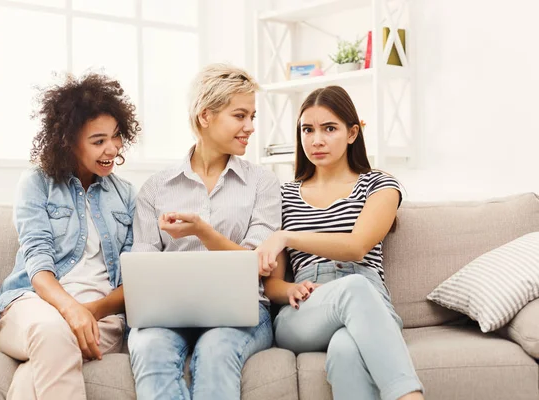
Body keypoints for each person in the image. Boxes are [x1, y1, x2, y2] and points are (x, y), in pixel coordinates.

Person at [126, 64, 281, 399]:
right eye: (240, 116)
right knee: (149, 345)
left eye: (252, 116)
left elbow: (257, 262)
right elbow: (143, 263)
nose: (250, 127)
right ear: (205, 116)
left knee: (216, 350)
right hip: (169, 314)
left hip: (241, 314)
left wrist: (202, 231)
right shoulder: (156, 187)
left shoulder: (262, 183)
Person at [259, 85, 424, 400]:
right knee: (354, 291)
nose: (316, 139)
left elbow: (356, 246)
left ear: (352, 133)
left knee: (347, 349)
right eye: (308, 129)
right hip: (306, 311)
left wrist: (285, 236)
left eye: (329, 128)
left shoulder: (379, 184)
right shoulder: (284, 195)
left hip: (368, 300)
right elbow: (272, 286)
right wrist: (292, 289)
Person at [0, 73, 141, 400]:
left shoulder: (127, 196)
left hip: (100, 318)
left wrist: (91, 311)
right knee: (51, 331)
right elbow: (38, 264)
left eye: (116, 137)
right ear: (69, 140)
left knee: (36, 370)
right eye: (98, 140)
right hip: (32, 307)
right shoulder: (37, 183)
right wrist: (71, 310)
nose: (112, 149)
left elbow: (134, 279)